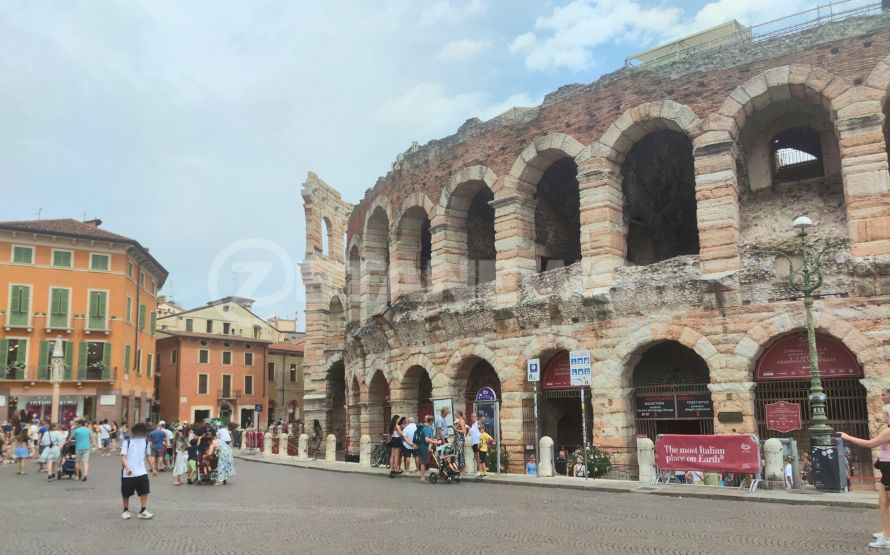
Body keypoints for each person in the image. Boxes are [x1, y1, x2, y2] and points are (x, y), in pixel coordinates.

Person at [840, 404, 890, 549]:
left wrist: (847, 437)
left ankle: (887, 538)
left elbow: (870, 443)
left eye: (885, 414)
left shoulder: (888, 431)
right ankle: (887, 532)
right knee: (883, 501)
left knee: (888, 504)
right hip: (886, 468)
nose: (883, 416)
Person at [120, 422, 157, 520]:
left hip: (142, 471)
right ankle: (125, 510)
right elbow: (123, 457)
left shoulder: (146, 443)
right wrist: (127, 468)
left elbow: (148, 456)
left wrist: (153, 468)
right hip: (128, 473)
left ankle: (143, 511)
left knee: (144, 491)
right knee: (126, 493)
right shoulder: (127, 442)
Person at [417, 415, 436, 482]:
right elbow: (427, 439)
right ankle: (422, 478)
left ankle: (422, 476)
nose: (433, 422)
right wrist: (434, 442)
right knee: (423, 462)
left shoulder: (424, 427)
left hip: (422, 446)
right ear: (430, 421)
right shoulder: (427, 428)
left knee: (423, 461)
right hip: (424, 446)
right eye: (432, 421)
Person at [468, 413, 482, 479]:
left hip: (478, 442)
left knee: (478, 457)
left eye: (474, 416)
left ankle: (480, 471)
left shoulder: (477, 423)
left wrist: (480, 420)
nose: (472, 417)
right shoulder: (472, 425)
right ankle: (479, 471)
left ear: (476, 417)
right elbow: (471, 435)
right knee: (476, 457)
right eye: (471, 416)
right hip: (473, 443)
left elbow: (481, 421)